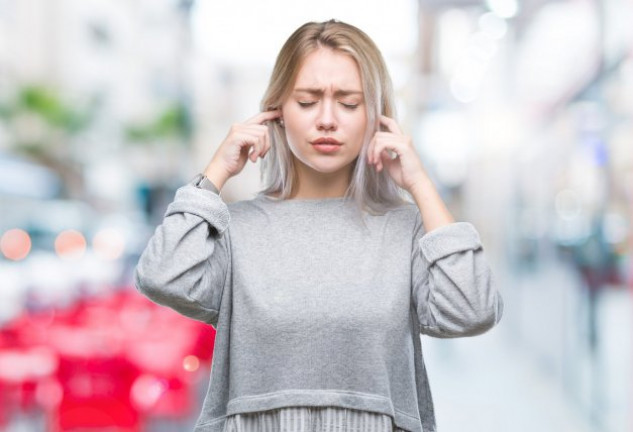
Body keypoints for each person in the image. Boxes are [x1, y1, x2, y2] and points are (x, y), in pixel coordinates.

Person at [134, 19, 503, 432]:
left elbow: (473, 311)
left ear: (376, 117)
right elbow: (161, 276)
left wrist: (420, 184)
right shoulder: (235, 231)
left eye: (348, 103)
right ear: (275, 112)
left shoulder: (406, 229)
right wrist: (216, 172)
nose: (327, 120)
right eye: (308, 101)